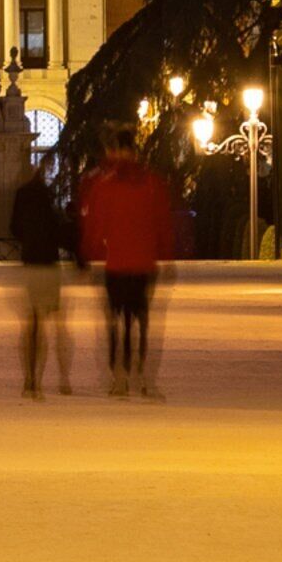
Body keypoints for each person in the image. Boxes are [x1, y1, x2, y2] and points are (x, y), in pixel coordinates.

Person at [74, 126, 174, 399]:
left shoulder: (104, 185)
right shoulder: (152, 182)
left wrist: (87, 255)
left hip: (116, 264)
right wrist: (165, 256)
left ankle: (119, 376)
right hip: (143, 264)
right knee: (141, 321)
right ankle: (143, 377)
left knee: (115, 322)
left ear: (114, 150)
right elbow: (163, 221)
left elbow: (95, 226)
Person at [9, 161, 74, 397]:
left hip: (31, 263)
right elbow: (58, 229)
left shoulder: (21, 195)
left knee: (33, 324)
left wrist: (28, 240)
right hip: (48, 264)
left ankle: (31, 378)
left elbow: (14, 228)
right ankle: (62, 379)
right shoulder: (48, 196)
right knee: (57, 324)